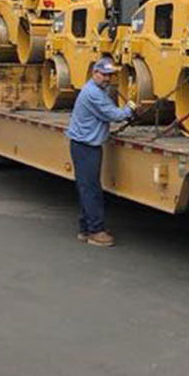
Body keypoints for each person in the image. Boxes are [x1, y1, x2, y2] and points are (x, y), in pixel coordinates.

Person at [64, 57, 135, 246]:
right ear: (94, 73)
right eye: (103, 74)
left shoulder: (96, 90)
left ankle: (86, 228)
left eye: (110, 75)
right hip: (85, 147)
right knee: (91, 190)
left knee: (87, 188)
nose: (107, 79)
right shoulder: (93, 94)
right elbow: (113, 114)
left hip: (84, 145)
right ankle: (95, 231)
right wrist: (130, 108)